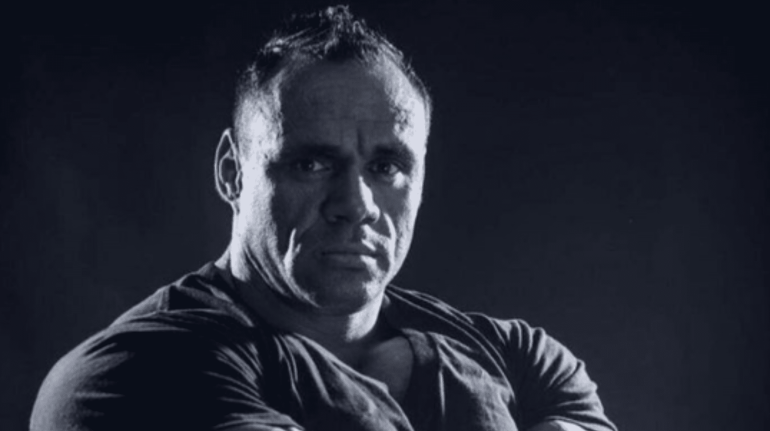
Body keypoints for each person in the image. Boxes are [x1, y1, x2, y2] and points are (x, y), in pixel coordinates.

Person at [30, 6, 617, 431]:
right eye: (311, 163)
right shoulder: (129, 376)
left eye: (386, 167)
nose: (355, 203)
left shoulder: (523, 360)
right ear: (232, 172)